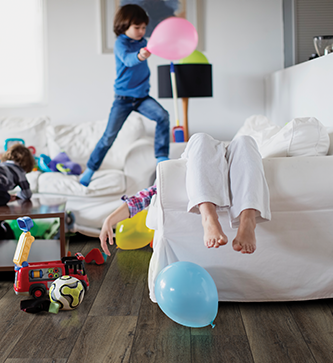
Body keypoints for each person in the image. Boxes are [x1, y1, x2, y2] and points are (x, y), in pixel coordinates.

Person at [99, 132, 271, 256]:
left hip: (240, 156)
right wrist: (109, 219)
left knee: (246, 140)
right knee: (200, 138)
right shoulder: (194, 159)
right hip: (201, 157)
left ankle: (247, 220)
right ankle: (208, 217)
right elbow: (146, 195)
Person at [80, 4, 169, 187]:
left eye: (144, 27)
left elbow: (158, 47)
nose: (141, 31)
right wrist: (140, 55)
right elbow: (128, 61)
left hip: (142, 98)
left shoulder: (144, 41)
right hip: (123, 99)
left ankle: (161, 157)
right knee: (109, 136)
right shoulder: (121, 42)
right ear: (124, 26)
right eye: (137, 28)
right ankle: (90, 169)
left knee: (163, 116)